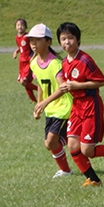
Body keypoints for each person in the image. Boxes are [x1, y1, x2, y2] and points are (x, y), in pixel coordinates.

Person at [56, 22, 104, 187]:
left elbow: (101, 81)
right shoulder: (64, 62)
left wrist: (78, 86)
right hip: (77, 106)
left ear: (78, 40)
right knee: (72, 145)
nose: (67, 42)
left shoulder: (85, 60)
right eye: (63, 39)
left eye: (70, 38)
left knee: (87, 151)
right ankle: (93, 179)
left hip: (91, 105)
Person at [26, 23, 73, 178]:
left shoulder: (55, 63)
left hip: (63, 107)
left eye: (37, 40)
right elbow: (40, 84)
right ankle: (67, 166)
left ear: (48, 42)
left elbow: (63, 87)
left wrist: (45, 102)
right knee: (50, 144)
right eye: (31, 40)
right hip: (51, 109)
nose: (33, 43)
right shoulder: (33, 63)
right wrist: (39, 104)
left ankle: (66, 170)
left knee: (51, 142)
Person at [13, 18, 39, 102]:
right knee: (25, 84)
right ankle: (35, 101)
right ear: (15, 27)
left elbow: (34, 46)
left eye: (22, 25)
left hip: (28, 61)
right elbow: (21, 47)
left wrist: (34, 56)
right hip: (21, 62)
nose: (20, 27)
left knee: (23, 82)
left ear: (25, 27)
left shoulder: (27, 37)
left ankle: (39, 89)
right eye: (18, 25)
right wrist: (16, 52)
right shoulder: (17, 37)